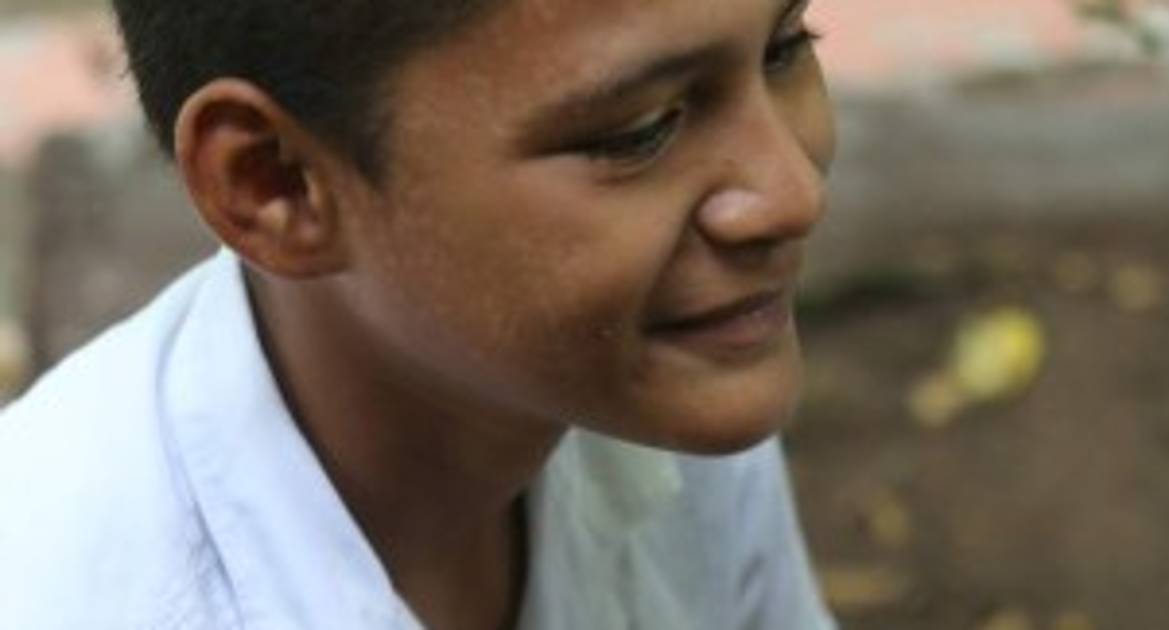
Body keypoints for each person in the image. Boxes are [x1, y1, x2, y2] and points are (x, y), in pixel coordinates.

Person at [0, 0, 839, 627]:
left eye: (785, 47)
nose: (792, 194)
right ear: (275, 183)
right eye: (639, 132)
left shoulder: (652, 395)